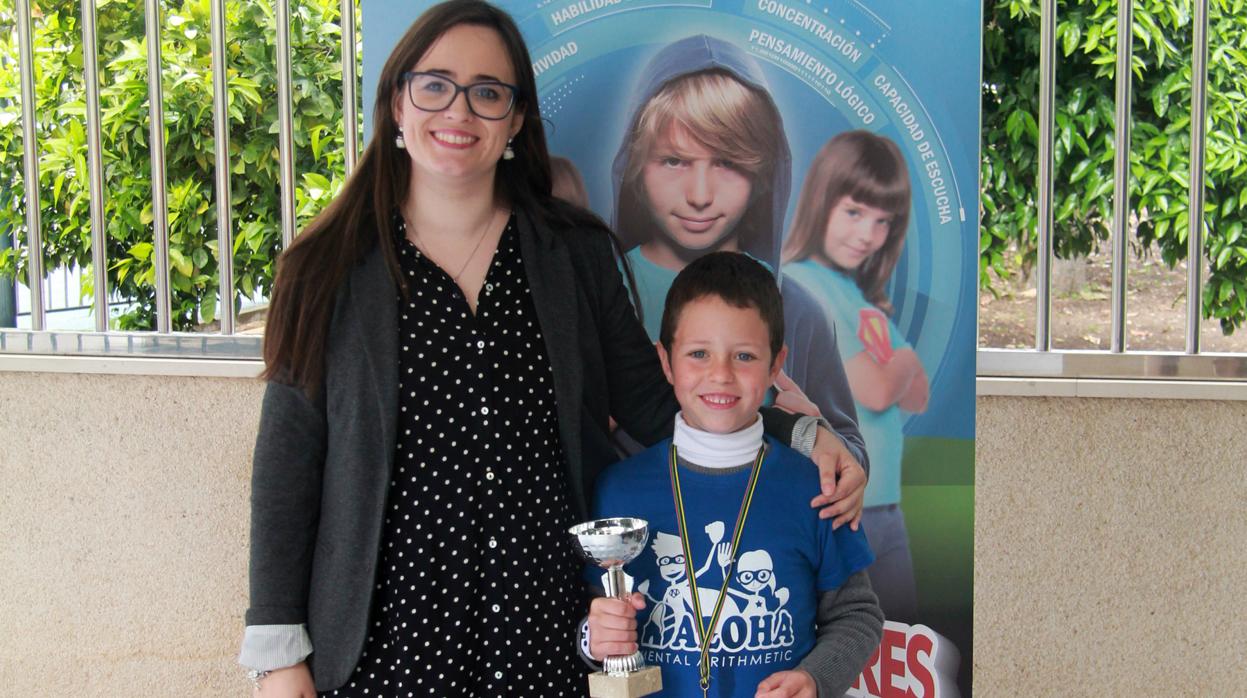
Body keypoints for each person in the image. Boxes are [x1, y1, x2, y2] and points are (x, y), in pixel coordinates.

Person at [237, 2, 869, 696]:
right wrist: (278, 656)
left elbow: (659, 405)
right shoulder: (324, 268)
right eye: (434, 84)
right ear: (397, 101)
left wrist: (801, 434)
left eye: (487, 92)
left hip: (551, 643)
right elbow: (286, 471)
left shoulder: (574, 255)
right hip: (388, 649)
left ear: (514, 120)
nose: (459, 111)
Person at [585, 252, 883, 697]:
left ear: (776, 364)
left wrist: (815, 678)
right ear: (665, 362)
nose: (720, 375)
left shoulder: (816, 488)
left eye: (743, 355)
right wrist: (592, 639)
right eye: (699, 354)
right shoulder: (618, 490)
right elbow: (587, 616)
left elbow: (857, 615)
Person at [609, 34, 866, 470]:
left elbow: (850, 456)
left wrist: (817, 434)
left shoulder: (796, 308)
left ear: (764, 175)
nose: (700, 195)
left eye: (727, 164)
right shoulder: (603, 297)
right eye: (674, 161)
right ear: (634, 167)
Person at [782, 130, 930, 623]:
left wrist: (899, 369)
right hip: (844, 503)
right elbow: (881, 387)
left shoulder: (859, 298)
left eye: (883, 221)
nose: (867, 234)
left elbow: (918, 397)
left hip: (885, 503)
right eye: (854, 212)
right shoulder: (803, 283)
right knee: (854, 646)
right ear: (821, 201)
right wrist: (903, 360)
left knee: (903, 647)